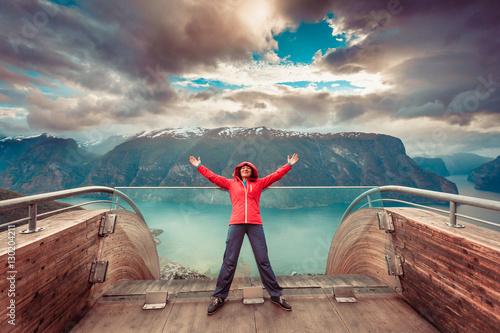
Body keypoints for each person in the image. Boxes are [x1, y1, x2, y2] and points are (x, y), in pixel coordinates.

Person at [189, 154, 299, 315]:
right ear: (238, 172)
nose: (245, 169)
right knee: (229, 261)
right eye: (242, 168)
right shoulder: (230, 183)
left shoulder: (260, 183)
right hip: (236, 224)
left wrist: (288, 165)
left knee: (263, 261)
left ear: (253, 171)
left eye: (248, 167)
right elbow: (213, 177)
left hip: (255, 224)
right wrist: (199, 166)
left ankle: (276, 295)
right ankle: (219, 296)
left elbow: (276, 175)